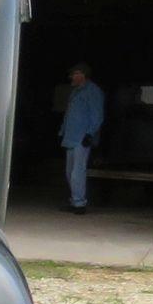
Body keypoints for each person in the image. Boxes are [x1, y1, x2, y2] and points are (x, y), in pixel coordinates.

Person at [59, 64, 105, 214]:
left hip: (81, 137)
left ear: (83, 75)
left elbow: (97, 114)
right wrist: (63, 131)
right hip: (71, 136)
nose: (72, 77)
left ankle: (79, 204)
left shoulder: (92, 91)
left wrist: (90, 133)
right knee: (70, 171)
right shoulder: (76, 91)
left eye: (75, 74)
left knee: (77, 172)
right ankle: (74, 200)